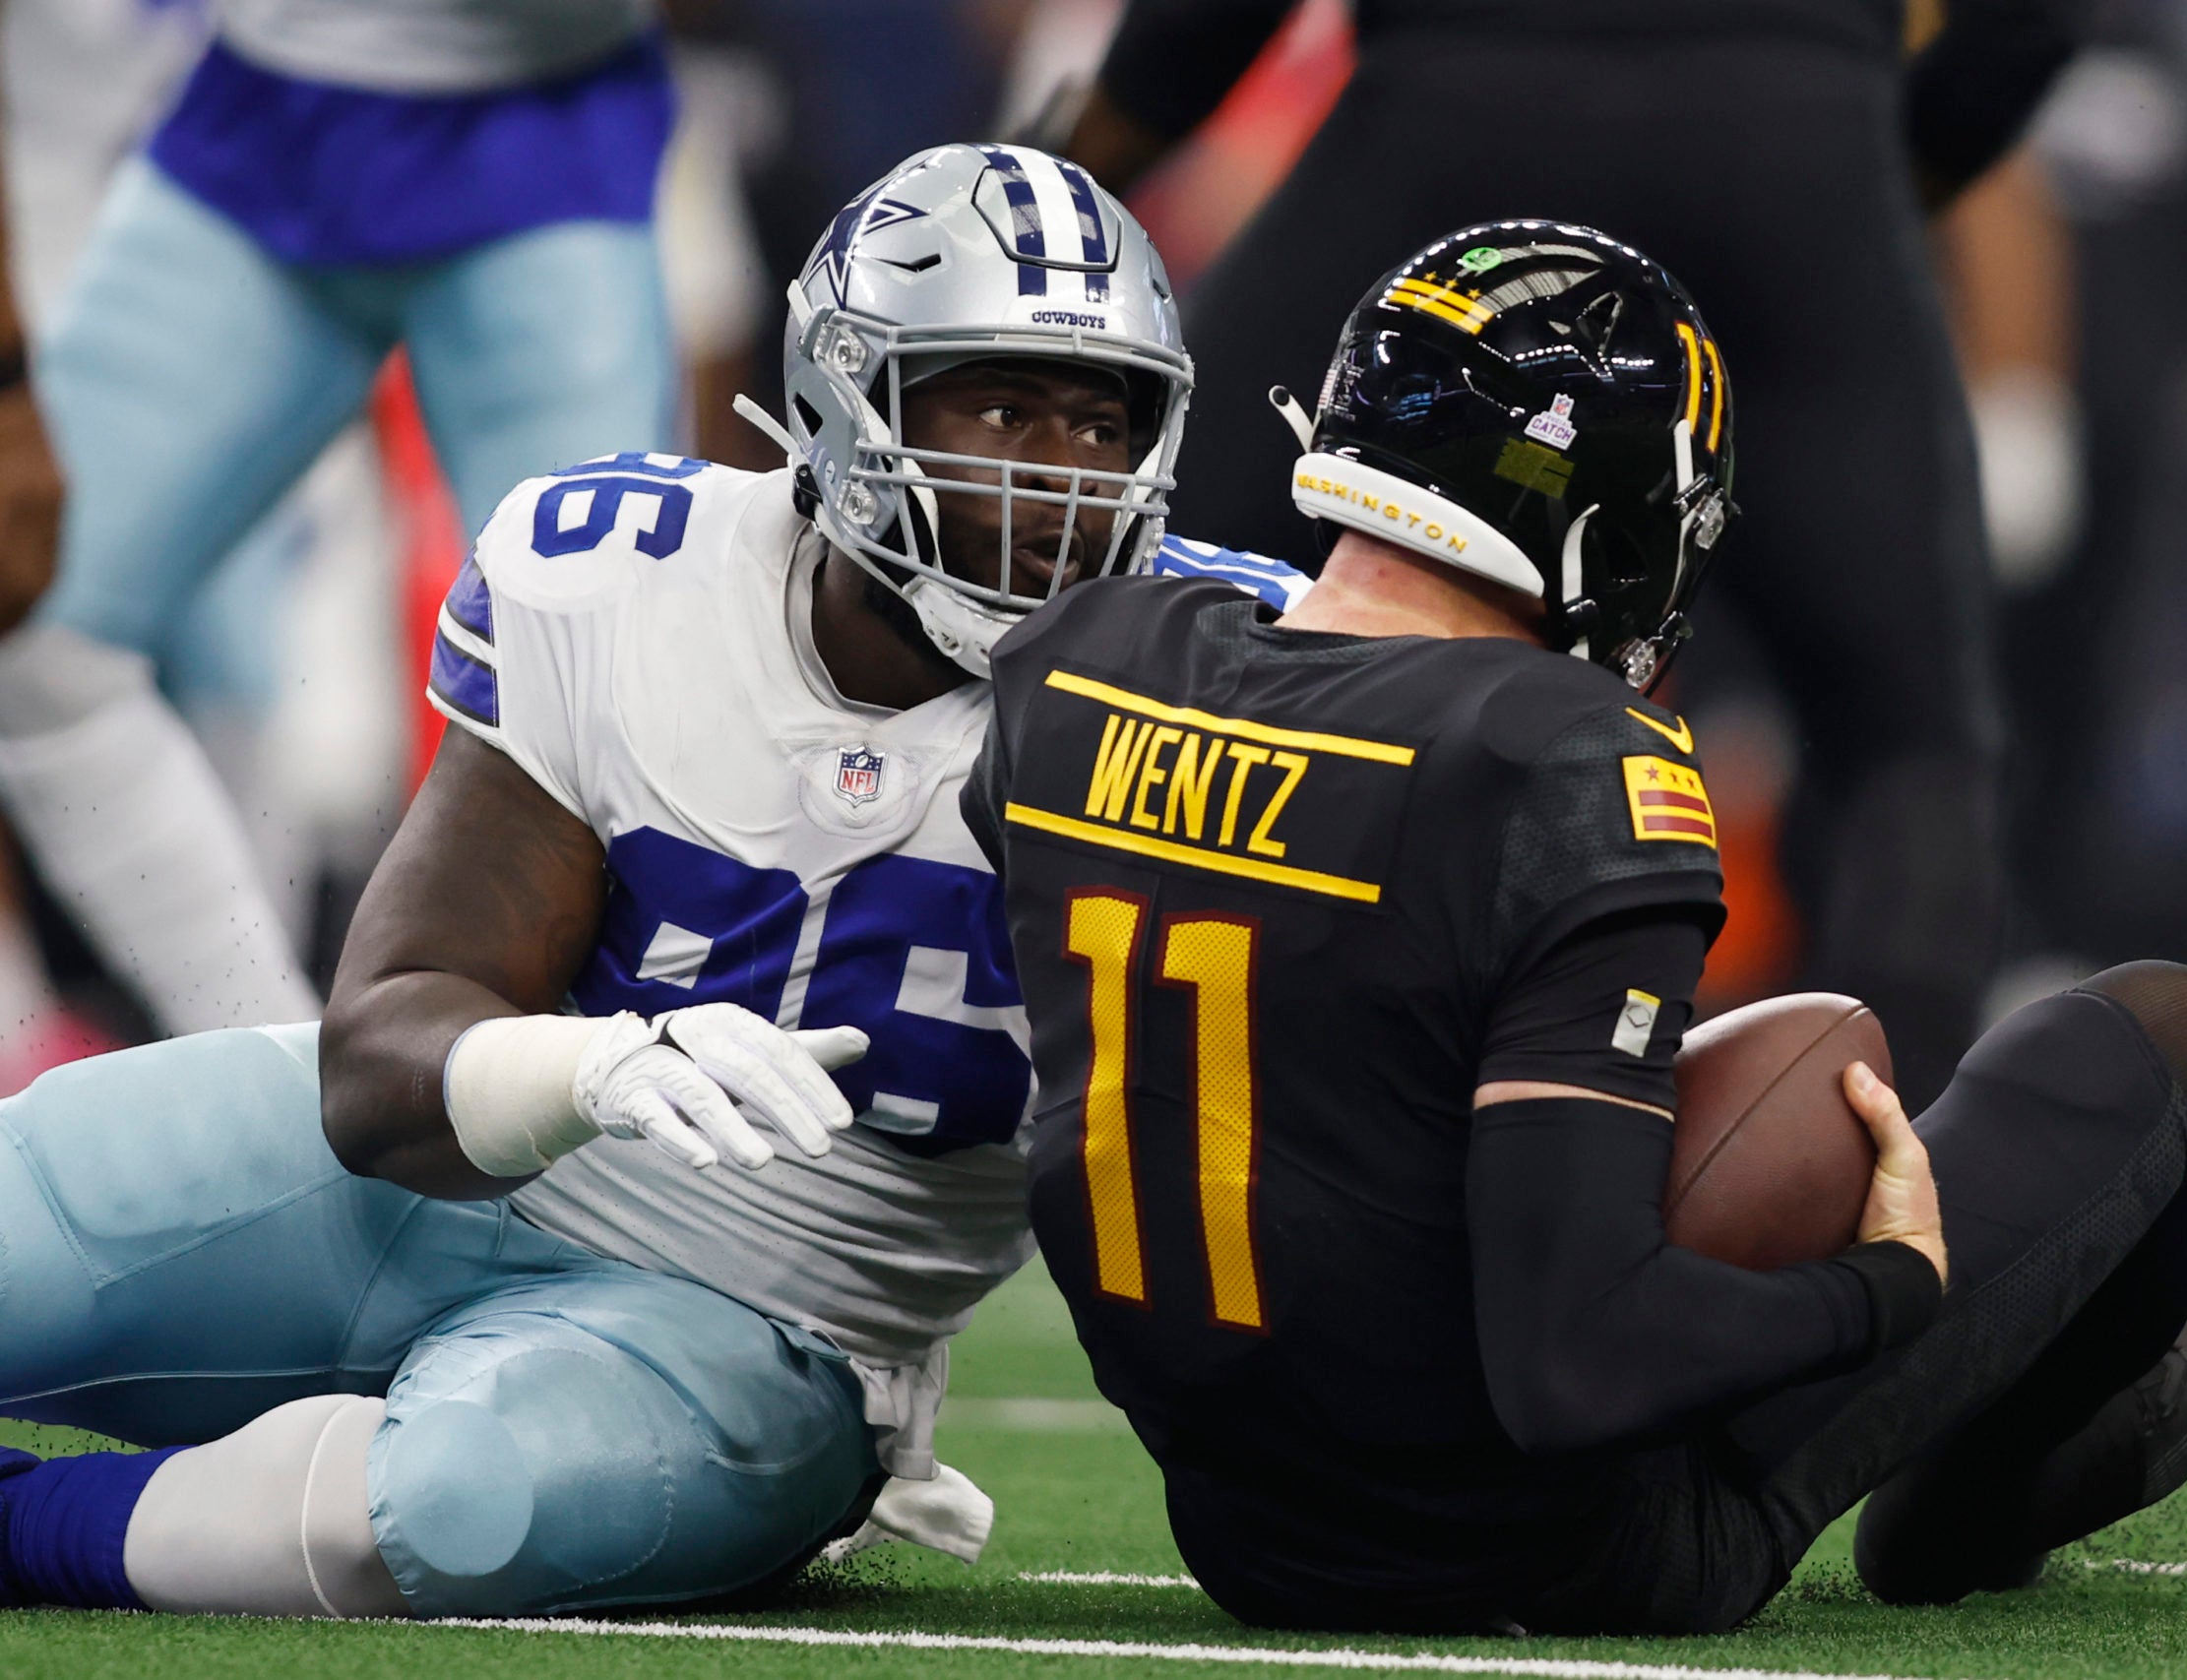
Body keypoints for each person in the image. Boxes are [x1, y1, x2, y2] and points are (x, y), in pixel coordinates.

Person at [0, 144, 1303, 1620]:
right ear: (842, 397)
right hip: (443, 1173)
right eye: (1003, 405)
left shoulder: (1229, 679)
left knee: (465, 1506)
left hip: (771, 1321)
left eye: (1099, 421)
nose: (1059, 478)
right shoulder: (626, 569)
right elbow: (375, 1065)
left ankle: (29, 1525)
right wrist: (599, 1064)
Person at [965, 223, 2187, 1634]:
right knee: (2186, 1025)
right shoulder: (1564, 757)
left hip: (1244, 1532)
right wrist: (1880, 1291)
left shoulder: (1076, 665)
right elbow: (1577, 1361)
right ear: (1606, 510)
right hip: (1564, 1551)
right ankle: (1987, 1490)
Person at [1041, 0, 2088, 1105]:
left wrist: (1070, 171)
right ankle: (1887, 1184)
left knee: (1148, 604)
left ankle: (1024, 1045)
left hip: (1448, 127)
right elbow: (2029, 25)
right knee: (1907, 750)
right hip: (1789, 141)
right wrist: (1872, 177)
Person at [0, 0, 682, 1036]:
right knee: (36, 635)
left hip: (542, 139)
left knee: (610, 725)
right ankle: (279, 1096)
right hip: (261, 120)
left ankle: (571, 1160)